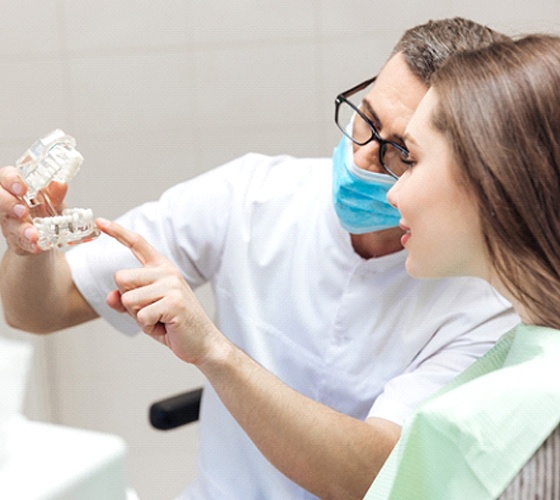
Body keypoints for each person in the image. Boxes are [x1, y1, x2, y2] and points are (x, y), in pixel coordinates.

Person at [0, 18, 518, 499]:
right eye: (367, 119)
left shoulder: (485, 301)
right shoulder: (252, 195)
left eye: (401, 151)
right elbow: (39, 311)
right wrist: (27, 249)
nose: (362, 157)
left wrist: (214, 352)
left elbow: (376, 477)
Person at [363, 33, 560, 499]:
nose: (392, 192)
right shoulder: (527, 346)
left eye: (409, 158)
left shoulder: (522, 428)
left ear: (491, 176)